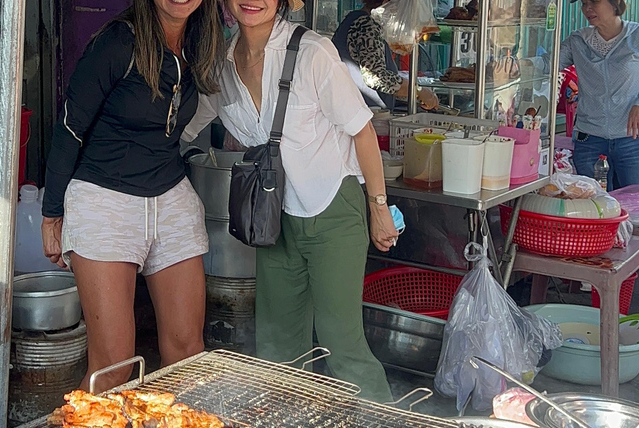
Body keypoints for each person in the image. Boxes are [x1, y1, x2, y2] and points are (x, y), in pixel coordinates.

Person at [183, 0, 395, 403]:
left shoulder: (313, 52)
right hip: (274, 219)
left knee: (341, 341)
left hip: (333, 210)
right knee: (278, 346)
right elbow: (189, 123)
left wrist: (379, 208)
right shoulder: (223, 65)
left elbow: (362, 132)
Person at [41, 0, 224, 393]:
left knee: (188, 353)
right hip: (104, 199)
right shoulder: (118, 42)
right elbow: (70, 129)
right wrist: (52, 214)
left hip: (171, 194)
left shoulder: (202, 44)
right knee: (113, 365)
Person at [559, 0, 639, 189]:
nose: (587, 8)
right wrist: (513, 65)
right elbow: (548, 64)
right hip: (589, 139)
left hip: (633, 139)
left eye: (594, 2)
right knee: (594, 209)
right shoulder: (578, 40)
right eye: (584, 3)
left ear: (615, 3)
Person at [332, 0, 439, 111]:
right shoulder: (366, 25)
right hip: (362, 111)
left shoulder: (357, 19)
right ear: (386, 3)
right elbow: (376, 77)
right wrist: (418, 90)